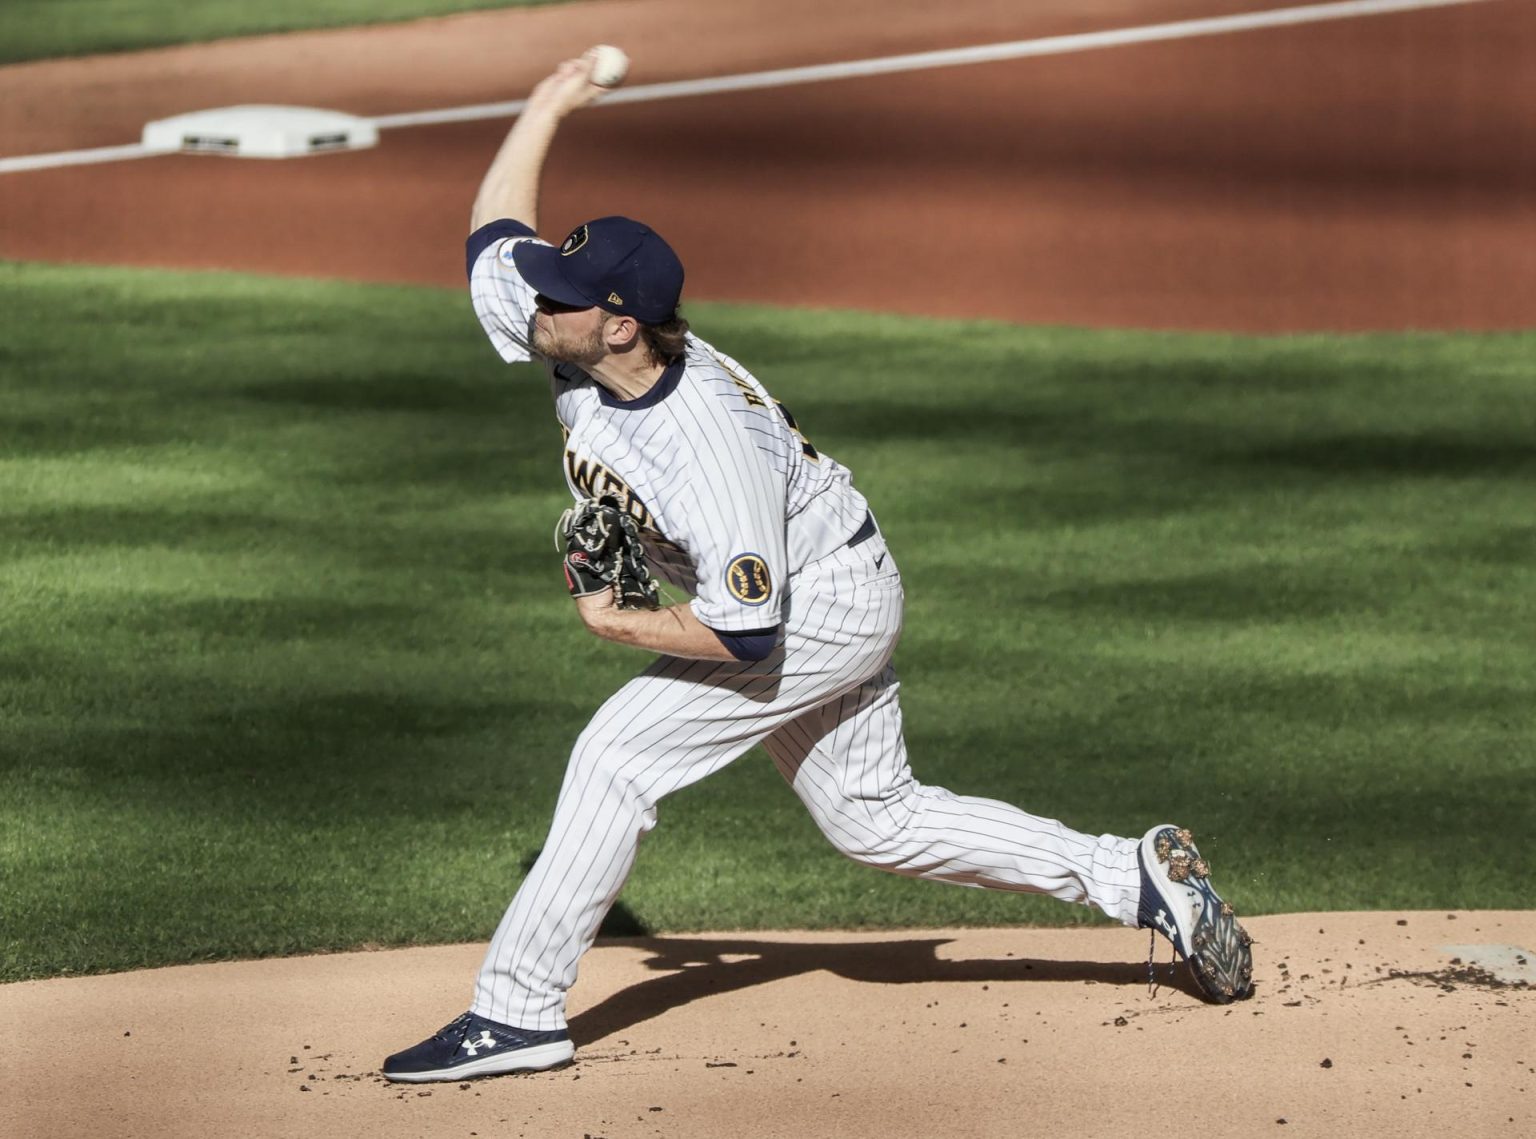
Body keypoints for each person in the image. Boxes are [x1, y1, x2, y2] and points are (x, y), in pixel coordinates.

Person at [381, 51, 1253, 1084]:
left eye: (561, 297)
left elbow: (747, 631)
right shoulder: (575, 336)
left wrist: (621, 622)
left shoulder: (702, 446)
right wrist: (548, 101)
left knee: (619, 756)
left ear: (618, 322)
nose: (536, 303)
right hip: (830, 562)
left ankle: (517, 1010)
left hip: (819, 602)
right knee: (871, 817)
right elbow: (493, 235)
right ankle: (1134, 875)